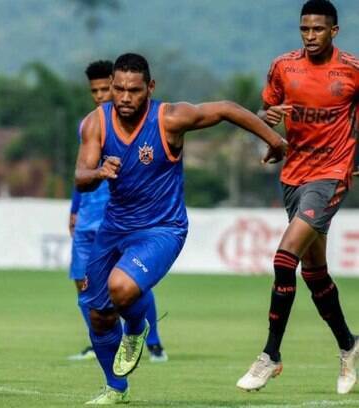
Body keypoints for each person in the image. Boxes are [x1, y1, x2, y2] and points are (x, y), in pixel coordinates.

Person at [75, 52, 287, 404]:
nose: (125, 98)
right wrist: (97, 173)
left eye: (134, 90)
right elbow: (80, 176)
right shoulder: (96, 122)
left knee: (121, 288)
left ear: (150, 88)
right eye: (118, 89)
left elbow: (225, 108)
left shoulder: (169, 118)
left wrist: (273, 139)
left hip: (162, 228)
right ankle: (115, 388)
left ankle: (137, 329)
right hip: (114, 227)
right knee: (98, 314)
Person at [236, 0, 359, 394]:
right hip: (293, 175)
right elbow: (267, 108)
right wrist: (267, 121)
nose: (310, 36)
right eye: (304, 29)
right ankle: (349, 344)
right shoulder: (283, 66)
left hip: (331, 175)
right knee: (314, 273)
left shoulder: (352, 71)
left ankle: (270, 354)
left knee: (284, 256)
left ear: (334, 31)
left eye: (318, 30)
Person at [68, 60, 167, 363]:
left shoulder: (135, 123)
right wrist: (74, 208)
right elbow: (82, 170)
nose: (99, 95)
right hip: (87, 215)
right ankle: (100, 339)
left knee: (129, 284)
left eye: (103, 89)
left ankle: (151, 341)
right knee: (82, 282)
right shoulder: (89, 124)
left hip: (117, 219)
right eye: (94, 90)